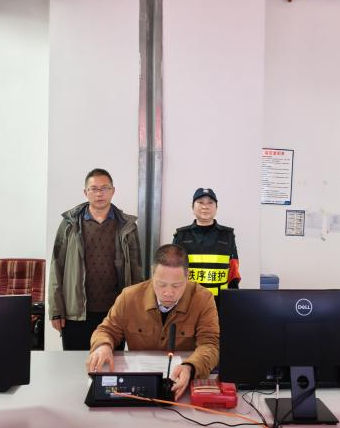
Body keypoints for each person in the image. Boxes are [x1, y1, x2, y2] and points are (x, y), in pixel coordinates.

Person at [86, 244, 219, 400]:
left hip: (180, 384)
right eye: (161, 284)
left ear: (187, 276)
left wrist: (190, 367)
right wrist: (103, 346)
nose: (168, 292)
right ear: (152, 273)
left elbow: (210, 344)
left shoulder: (203, 299)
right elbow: (106, 330)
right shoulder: (129, 297)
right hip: (138, 386)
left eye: (176, 285)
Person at [49, 168, 143, 350]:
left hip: (114, 313)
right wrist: (56, 310)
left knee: (112, 364)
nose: (99, 193)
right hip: (75, 313)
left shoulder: (127, 226)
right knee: (75, 364)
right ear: (85, 192)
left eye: (105, 188)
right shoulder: (69, 224)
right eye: (94, 189)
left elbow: (136, 272)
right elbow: (56, 267)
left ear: (113, 191)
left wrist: (135, 310)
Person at [172, 188, 240, 311]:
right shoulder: (181, 236)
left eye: (210, 203)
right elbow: (173, 272)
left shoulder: (228, 236)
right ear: (192, 207)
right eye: (200, 202)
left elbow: (233, 275)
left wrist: (233, 304)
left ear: (216, 207)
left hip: (219, 304)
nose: (205, 206)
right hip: (188, 303)